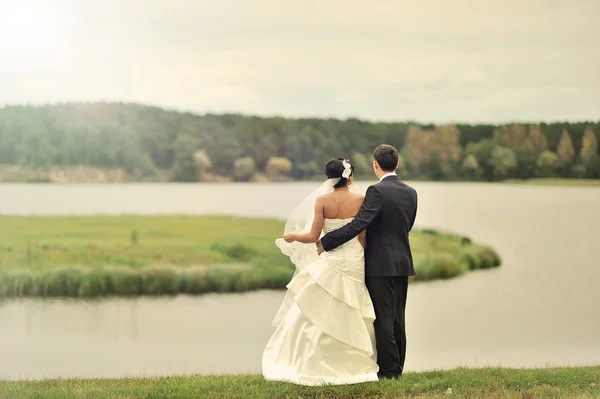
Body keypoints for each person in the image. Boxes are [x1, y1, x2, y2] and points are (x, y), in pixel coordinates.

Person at [262, 157, 379, 386]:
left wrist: (294, 236)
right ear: (350, 177)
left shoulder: (322, 200)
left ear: (329, 177)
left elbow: (313, 237)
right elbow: (363, 234)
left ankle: (311, 361)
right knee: (352, 305)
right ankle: (354, 363)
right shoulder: (361, 199)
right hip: (355, 258)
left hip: (331, 259)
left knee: (320, 304)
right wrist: (361, 253)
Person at [317, 144, 418, 379]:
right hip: (402, 261)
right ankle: (398, 368)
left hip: (380, 263)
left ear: (375, 164)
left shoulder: (376, 191)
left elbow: (359, 224)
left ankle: (389, 372)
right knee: (397, 318)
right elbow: (407, 225)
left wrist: (328, 240)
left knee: (383, 319)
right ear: (397, 163)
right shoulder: (411, 192)